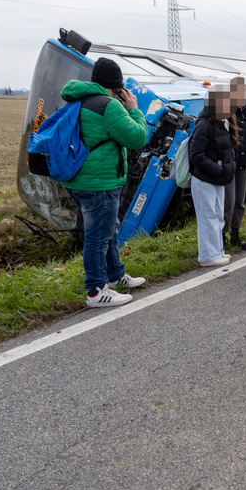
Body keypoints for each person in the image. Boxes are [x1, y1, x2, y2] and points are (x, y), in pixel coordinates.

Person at [61, 57, 149, 308]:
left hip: (79, 179)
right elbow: (137, 137)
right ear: (118, 86)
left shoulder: (80, 99)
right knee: (99, 235)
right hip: (99, 183)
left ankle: (115, 275)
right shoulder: (109, 106)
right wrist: (133, 108)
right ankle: (96, 290)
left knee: (108, 229)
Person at [188, 84, 237, 267]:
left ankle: (217, 252)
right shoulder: (204, 124)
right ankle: (207, 256)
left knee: (217, 215)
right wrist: (218, 170)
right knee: (208, 216)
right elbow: (195, 155)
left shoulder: (219, 122)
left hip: (216, 179)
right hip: (205, 179)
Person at [223, 77, 246, 251]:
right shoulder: (226, 111)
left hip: (244, 163)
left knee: (239, 202)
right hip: (229, 164)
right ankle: (221, 235)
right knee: (227, 202)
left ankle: (235, 234)